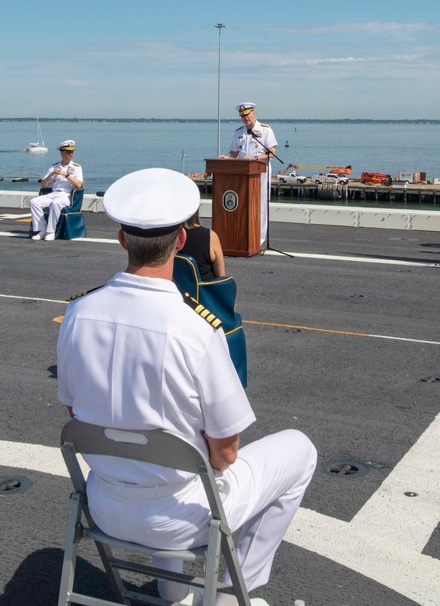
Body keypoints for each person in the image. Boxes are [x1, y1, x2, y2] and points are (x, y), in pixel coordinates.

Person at [57, 168, 315, 605]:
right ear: (180, 241)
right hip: (183, 517)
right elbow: (226, 452)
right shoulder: (195, 328)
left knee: (165, 451)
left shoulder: (77, 315)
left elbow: (74, 414)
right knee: (300, 450)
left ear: (122, 239)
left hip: (102, 505)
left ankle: (174, 594)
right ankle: (235, 593)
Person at [221, 102, 277, 246]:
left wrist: (254, 158)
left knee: (261, 206)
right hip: (243, 173)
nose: (246, 119)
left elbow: (271, 152)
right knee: (243, 204)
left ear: (254, 113)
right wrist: (226, 157)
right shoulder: (238, 132)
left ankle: (259, 239)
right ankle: (244, 235)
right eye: (243, 116)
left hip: (261, 171)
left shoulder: (265, 130)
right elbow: (234, 153)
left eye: (247, 115)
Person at [30, 140, 83, 241]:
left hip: (66, 195)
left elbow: (79, 185)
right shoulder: (54, 166)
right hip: (53, 193)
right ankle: (42, 229)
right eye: (68, 152)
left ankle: (51, 231)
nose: (70, 154)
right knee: (34, 202)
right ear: (61, 152)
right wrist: (51, 175)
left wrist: (66, 175)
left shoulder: (76, 167)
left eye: (72, 152)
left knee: (55, 203)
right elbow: (44, 185)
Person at [180, 209, 225, 281]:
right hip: (203, 289)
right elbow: (220, 274)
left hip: (176, 288)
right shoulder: (210, 236)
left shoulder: (169, 236)